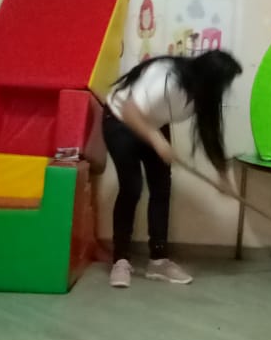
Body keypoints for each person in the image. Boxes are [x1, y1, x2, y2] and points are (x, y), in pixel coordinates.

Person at [102, 50, 242, 287]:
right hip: (120, 120)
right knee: (131, 187)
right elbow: (130, 111)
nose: (225, 89)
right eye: (224, 83)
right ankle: (120, 260)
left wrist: (223, 176)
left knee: (161, 187)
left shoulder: (202, 94)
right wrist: (156, 140)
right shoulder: (166, 80)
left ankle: (158, 261)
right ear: (209, 78)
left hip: (153, 123)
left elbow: (210, 135)